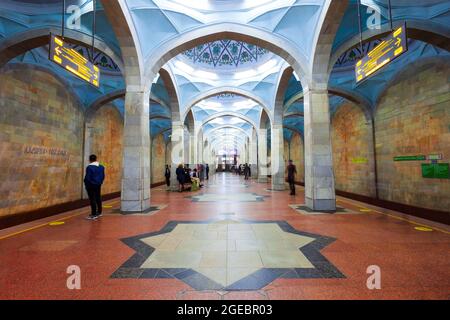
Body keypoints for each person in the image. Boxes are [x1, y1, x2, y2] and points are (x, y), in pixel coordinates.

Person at [84, 154, 105, 220]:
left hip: (91, 185)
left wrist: (86, 184)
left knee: (92, 199)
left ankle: (93, 214)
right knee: (98, 197)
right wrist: (100, 182)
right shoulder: (101, 167)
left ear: (90, 160)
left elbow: (87, 178)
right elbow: (103, 176)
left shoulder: (89, 167)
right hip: (98, 184)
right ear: (96, 159)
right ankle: (99, 212)